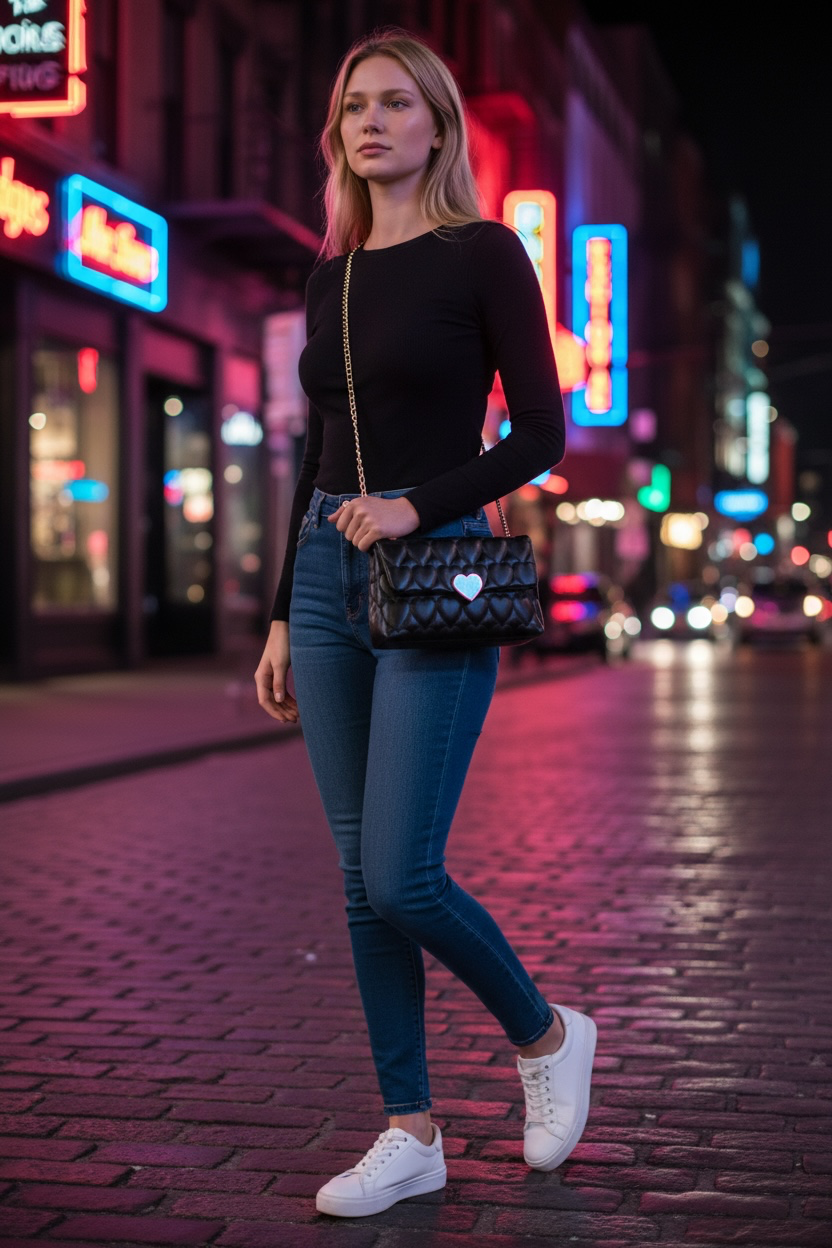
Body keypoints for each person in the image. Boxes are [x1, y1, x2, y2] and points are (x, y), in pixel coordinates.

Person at [255, 26, 596, 1220]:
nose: (370, 123)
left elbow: (539, 435)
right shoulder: (329, 275)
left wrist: (416, 506)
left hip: (441, 567)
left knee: (400, 873)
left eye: (397, 104)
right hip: (323, 571)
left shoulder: (484, 253)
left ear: (437, 128)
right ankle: (412, 1128)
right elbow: (320, 447)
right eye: (354, 106)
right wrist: (282, 614)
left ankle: (546, 1036)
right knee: (357, 880)